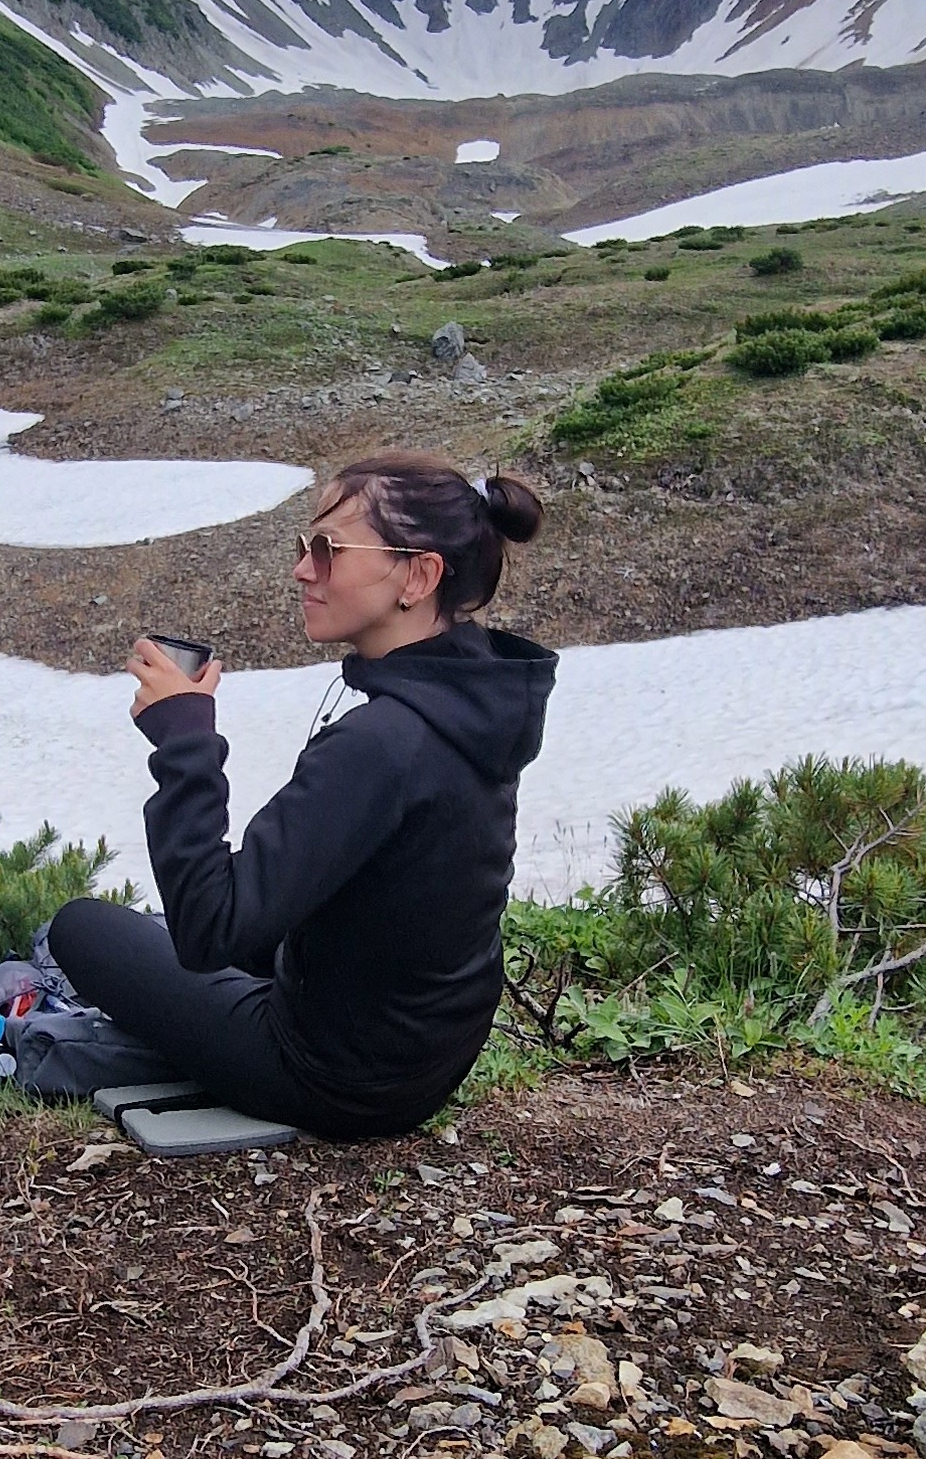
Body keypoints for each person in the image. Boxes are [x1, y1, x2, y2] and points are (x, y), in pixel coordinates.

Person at [45, 452, 555, 1139]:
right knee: (192, 941)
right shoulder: (474, 702)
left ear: (419, 575)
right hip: (424, 1061)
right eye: (304, 546)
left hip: (331, 1077)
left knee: (81, 927)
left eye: (328, 550)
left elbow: (210, 929)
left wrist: (185, 738)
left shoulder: (383, 742)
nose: (302, 569)